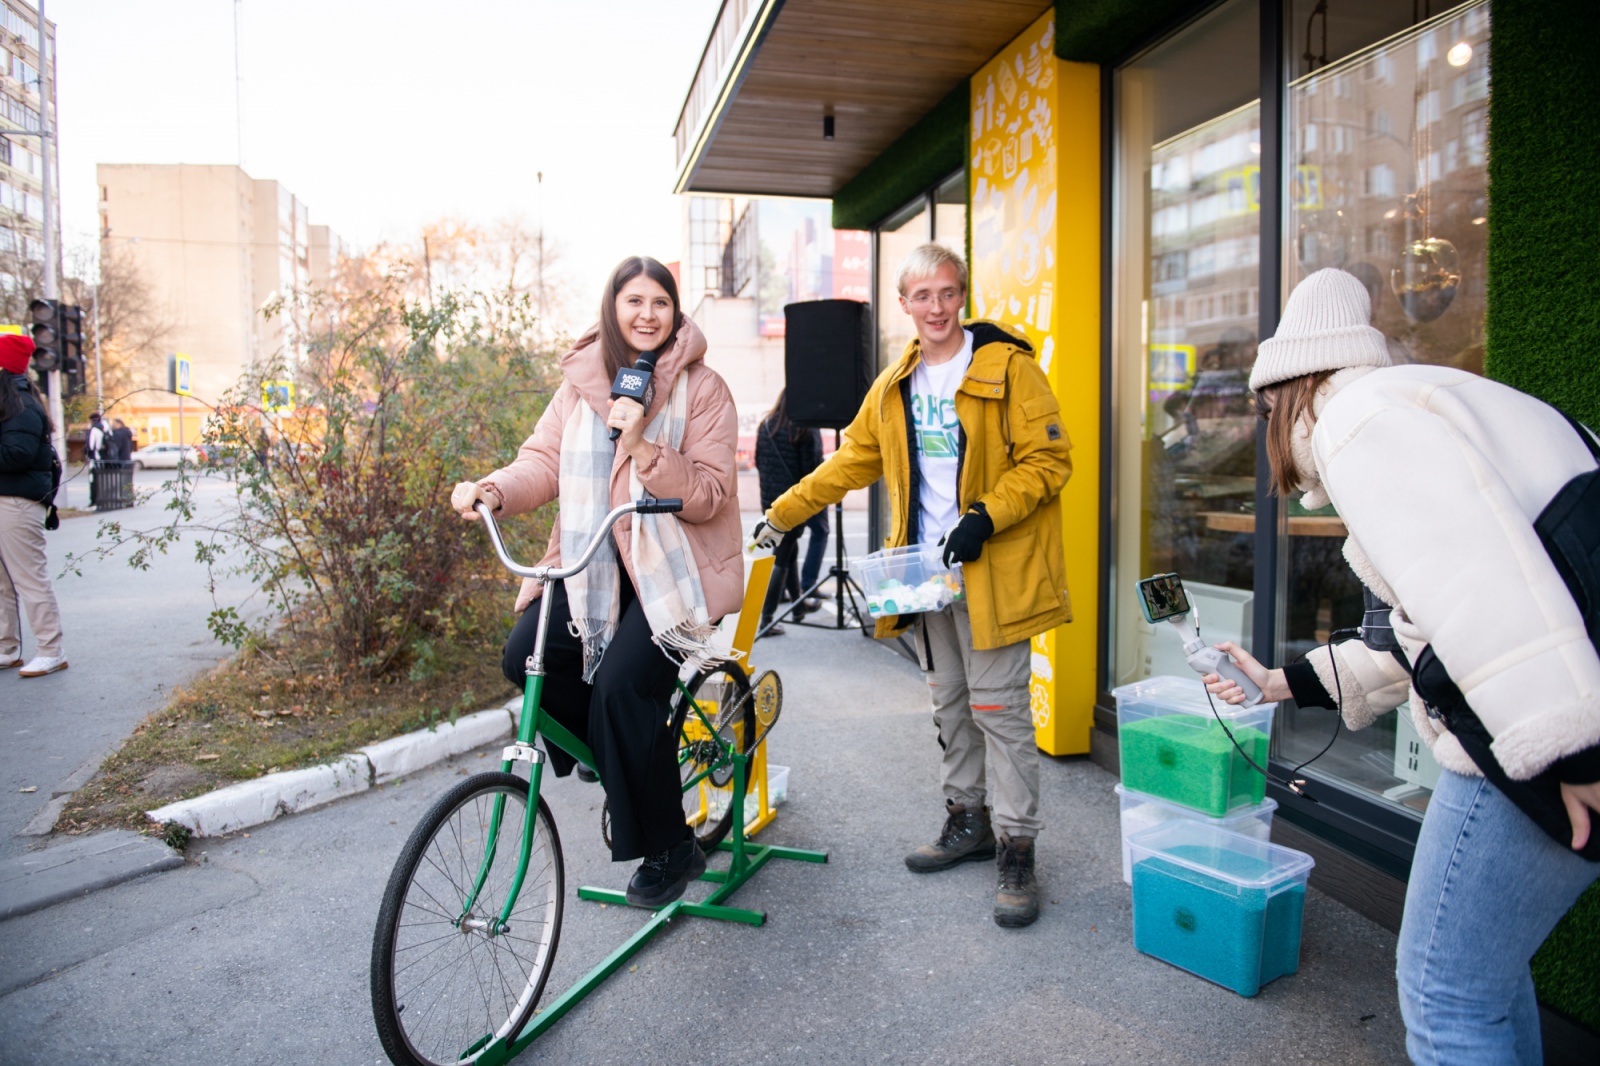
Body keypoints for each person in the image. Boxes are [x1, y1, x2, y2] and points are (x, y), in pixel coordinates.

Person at [1202, 268, 1600, 1065]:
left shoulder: (1360, 421)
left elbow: (1491, 598)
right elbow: (1429, 635)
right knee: (1483, 983)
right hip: (1565, 708)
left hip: (1546, 737)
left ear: (1284, 392)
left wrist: (1577, 751)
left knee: (1444, 994)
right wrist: (1283, 683)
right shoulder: (1424, 402)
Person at [751, 243, 1073, 927]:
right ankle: (968, 822)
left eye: (948, 293)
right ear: (904, 305)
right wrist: (780, 517)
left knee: (999, 713)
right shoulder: (895, 386)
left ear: (964, 297)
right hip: (927, 576)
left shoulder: (1009, 369)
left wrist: (986, 516)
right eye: (922, 296)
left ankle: (1018, 847)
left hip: (995, 570)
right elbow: (848, 465)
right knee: (950, 705)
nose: (936, 308)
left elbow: (1049, 460)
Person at [450, 256, 741, 909]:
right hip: (592, 567)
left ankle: (671, 845)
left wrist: (643, 448)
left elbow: (711, 494)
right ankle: (624, 762)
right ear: (613, 308)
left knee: (618, 690)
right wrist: (493, 491)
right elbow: (542, 462)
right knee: (523, 658)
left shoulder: (705, 389)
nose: (646, 314)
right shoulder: (583, 382)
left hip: (671, 572)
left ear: (674, 312)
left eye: (659, 303)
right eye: (633, 301)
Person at [0, 333, 68, 677]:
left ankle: (50, 650)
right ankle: (6, 648)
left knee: (29, 580)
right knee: (2, 582)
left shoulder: (22, 406)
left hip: (15, 504)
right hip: (6, 500)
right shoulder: (9, 403)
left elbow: (17, 455)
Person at [752, 388, 823, 635]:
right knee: (782, 556)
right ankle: (767, 619)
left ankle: (798, 606)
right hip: (793, 502)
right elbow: (812, 471)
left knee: (789, 551)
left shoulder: (767, 425)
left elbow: (759, 461)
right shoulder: (803, 430)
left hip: (770, 501)